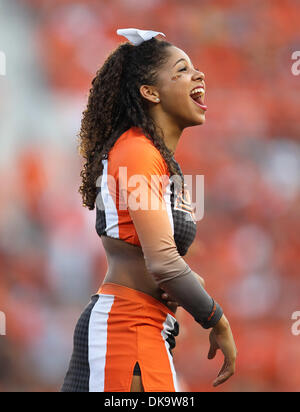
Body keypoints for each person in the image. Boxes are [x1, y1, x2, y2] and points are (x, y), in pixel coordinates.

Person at [61, 28, 237, 393]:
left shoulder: (159, 160)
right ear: (150, 92)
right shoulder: (138, 152)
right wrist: (216, 321)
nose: (199, 75)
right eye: (182, 70)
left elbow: (160, 263)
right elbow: (162, 263)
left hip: (147, 328)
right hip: (127, 330)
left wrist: (187, 286)